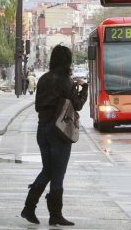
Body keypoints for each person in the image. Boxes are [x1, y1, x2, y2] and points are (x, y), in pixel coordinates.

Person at [21, 45, 88, 226]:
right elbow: (78, 105)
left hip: (42, 128)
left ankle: (29, 208)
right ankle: (55, 214)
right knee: (57, 173)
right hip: (58, 130)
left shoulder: (43, 79)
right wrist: (84, 89)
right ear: (67, 61)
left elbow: (37, 106)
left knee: (48, 170)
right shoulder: (66, 81)